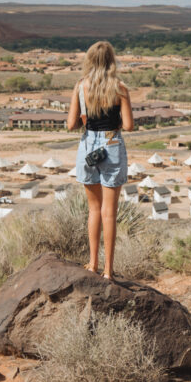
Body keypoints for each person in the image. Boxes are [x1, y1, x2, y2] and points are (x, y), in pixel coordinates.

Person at [67, 41, 134, 280]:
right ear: (111, 61)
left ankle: (93, 264)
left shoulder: (80, 87)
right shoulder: (120, 88)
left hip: (88, 147)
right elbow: (128, 125)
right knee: (109, 212)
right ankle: (108, 271)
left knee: (93, 209)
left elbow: (70, 124)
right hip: (112, 145)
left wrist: (87, 118)